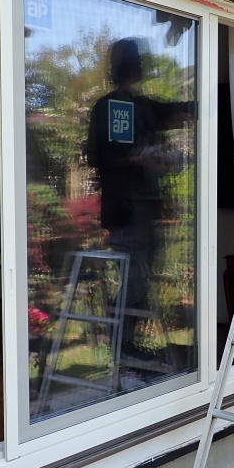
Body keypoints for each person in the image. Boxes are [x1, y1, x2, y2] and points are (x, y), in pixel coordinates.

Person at [86, 38, 191, 360]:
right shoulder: (108, 107)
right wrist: (136, 159)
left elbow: (179, 111)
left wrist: (162, 157)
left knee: (142, 280)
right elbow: (95, 156)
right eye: (137, 61)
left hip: (146, 208)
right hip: (126, 210)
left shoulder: (142, 106)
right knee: (134, 280)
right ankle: (121, 347)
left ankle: (127, 346)